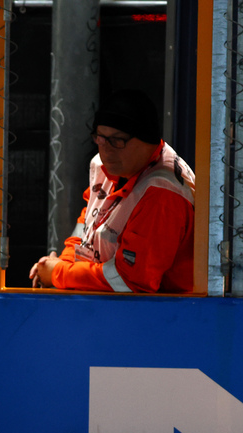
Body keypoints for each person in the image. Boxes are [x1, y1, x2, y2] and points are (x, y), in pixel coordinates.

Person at [30, 89, 195, 293]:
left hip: (166, 315)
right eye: (100, 138)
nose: (106, 150)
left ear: (148, 140)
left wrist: (59, 273)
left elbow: (130, 282)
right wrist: (62, 264)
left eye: (117, 140)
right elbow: (85, 228)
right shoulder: (107, 167)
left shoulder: (162, 194)